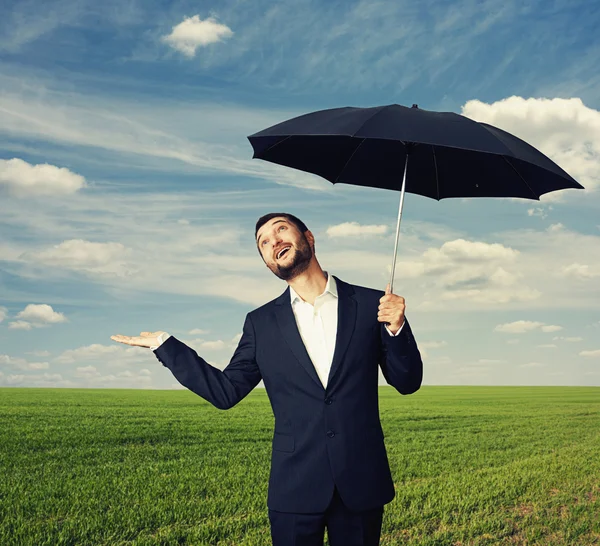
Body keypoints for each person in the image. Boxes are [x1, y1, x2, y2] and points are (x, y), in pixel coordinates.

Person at [111, 212, 423, 546]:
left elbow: (407, 382)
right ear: (268, 264)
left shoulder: (372, 304)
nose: (273, 241)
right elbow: (225, 391)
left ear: (309, 238)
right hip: (295, 486)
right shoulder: (261, 324)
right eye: (263, 242)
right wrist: (165, 345)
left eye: (281, 230)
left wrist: (395, 328)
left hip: (361, 481)